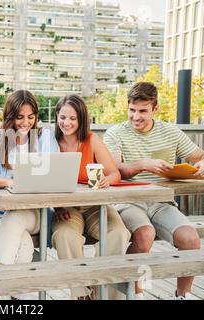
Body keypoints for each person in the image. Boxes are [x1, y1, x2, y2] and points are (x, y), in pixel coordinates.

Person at [103, 82, 204, 300]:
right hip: (128, 200)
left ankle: (183, 295)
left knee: (190, 239)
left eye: (143, 111)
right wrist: (143, 164)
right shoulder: (115, 133)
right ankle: (136, 294)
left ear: (155, 109)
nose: (136, 116)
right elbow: (115, 169)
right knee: (145, 234)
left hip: (161, 203)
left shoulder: (170, 132)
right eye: (132, 110)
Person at [0, 90, 59, 299]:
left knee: (16, 218)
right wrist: (10, 183)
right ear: (9, 115)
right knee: (24, 249)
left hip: (35, 211)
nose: (26, 122)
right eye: (20, 117)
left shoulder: (44, 136)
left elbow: (55, 170)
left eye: (31, 117)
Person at [51, 94, 130, 300]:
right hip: (66, 209)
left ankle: (105, 295)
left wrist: (107, 180)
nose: (66, 123)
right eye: (62, 117)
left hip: (96, 206)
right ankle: (82, 295)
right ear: (56, 117)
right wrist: (57, 206)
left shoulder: (92, 140)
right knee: (64, 236)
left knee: (119, 233)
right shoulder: (49, 142)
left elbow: (115, 173)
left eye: (72, 118)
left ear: (81, 119)